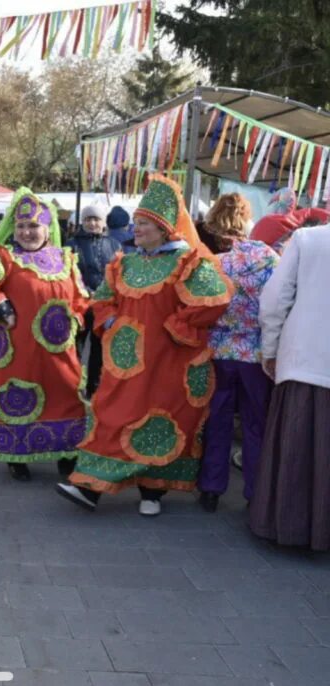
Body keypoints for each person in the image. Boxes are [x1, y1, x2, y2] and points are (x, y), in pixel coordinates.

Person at [56, 175, 232, 516]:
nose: (136, 229)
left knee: (160, 421)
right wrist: (110, 323)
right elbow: (104, 299)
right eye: (135, 223)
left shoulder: (188, 261)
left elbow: (213, 300)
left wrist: (177, 327)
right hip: (125, 363)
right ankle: (89, 486)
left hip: (168, 360)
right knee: (111, 414)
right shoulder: (125, 262)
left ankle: (152, 492)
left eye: (144, 224)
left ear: (164, 229)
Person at [0, 189, 90, 481]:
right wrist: (0, 306)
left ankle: (67, 453)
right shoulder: (1, 256)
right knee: (17, 396)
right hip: (15, 349)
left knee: (66, 394)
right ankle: (15, 455)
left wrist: (75, 319)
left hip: (58, 350)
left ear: (47, 228)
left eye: (33, 226)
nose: (27, 232)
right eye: (21, 226)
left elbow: (81, 298)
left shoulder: (66, 259)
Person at [250, 222, 330, 550]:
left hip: (305, 358)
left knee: (296, 446)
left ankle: (287, 525)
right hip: (306, 360)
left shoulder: (308, 238)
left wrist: (270, 350)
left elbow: (274, 300)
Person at [196, 194, 277, 512]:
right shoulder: (268, 257)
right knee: (256, 425)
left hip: (219, 350)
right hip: (255, 353)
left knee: (217, 420)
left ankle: (211, 489)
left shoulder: (214, 262)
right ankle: (255, 492)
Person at [67, 203, 122, 397]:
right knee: (76, 347)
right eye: (88, 219)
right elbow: (70, 275)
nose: (92, 223)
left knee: (100, 350)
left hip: (104, 307)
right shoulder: (72, 245)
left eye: (96, 219)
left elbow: (118, 273)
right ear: (82, 222)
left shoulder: (114, 245)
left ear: (103, 222)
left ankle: (94, 388)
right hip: (80, 305)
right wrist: (86, 292)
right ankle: (72, 385)